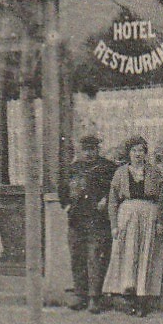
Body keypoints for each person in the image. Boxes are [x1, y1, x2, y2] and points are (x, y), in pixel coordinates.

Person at [101, 135, 163, 317]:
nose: (138, 154)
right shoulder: (120, 173)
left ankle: (142, 299)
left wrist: (161, 221)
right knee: (128, 254)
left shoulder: (154, 172)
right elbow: (113, 200)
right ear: (128, 153)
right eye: (134, 150)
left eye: (141, 151)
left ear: (145, 153)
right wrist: (114, 225)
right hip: (127, 215)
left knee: (146, 254)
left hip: (149, 214)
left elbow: (162, 198)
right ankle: (128, 298)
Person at [57, 134, 117, 313]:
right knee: (77, 257)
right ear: (80, 151)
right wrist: (67, 206)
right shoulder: (73, 169)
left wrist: (106, 200)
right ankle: (80, 295)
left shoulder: (108, 168)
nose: (89, 153)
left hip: (98, 220)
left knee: (96, 258)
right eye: (85, 150)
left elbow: (115, 189)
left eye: (92, 149)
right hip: (76, 220)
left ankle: (94, 298)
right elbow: (63, 189)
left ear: (98, 149)